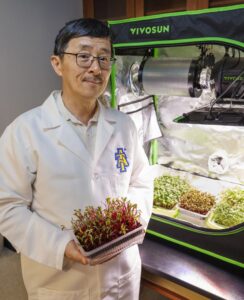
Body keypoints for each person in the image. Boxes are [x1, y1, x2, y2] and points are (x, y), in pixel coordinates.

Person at [0, 18, 153, 300]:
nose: (95, 68)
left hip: (120, 272)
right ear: (57, 64)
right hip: (59, 277)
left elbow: (141, 183)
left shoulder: (124, 126)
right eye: (83, 56)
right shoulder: (24, 131)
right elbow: (8, 208)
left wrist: (129, 226)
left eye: (104, 59)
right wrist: (62, 246)